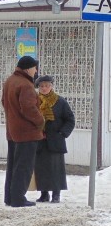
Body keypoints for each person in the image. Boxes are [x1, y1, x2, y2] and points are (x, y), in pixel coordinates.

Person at [1, 55, 45, 208]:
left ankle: (10, 197)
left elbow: (3, 102)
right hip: (26, 132)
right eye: (34, 67)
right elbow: (29, 108)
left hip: (12, 131)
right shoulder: (25, 85)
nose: (36, 70)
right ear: (28, 68)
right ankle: (18, 198)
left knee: (13, 165)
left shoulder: (10, 81)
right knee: (24, 166)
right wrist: (41, 121)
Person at [34, 75, 75, 203]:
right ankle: (44, 194)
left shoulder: (60, 101)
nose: (44, 88)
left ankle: (56, 194)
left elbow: (70, 120)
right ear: (38, 87)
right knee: (41, 167)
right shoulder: (35, 101)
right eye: (41, 86)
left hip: (56, 140)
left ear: (51, 86)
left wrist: (62, 133)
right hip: (40, 140)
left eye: (47, 85)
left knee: (56, 168)